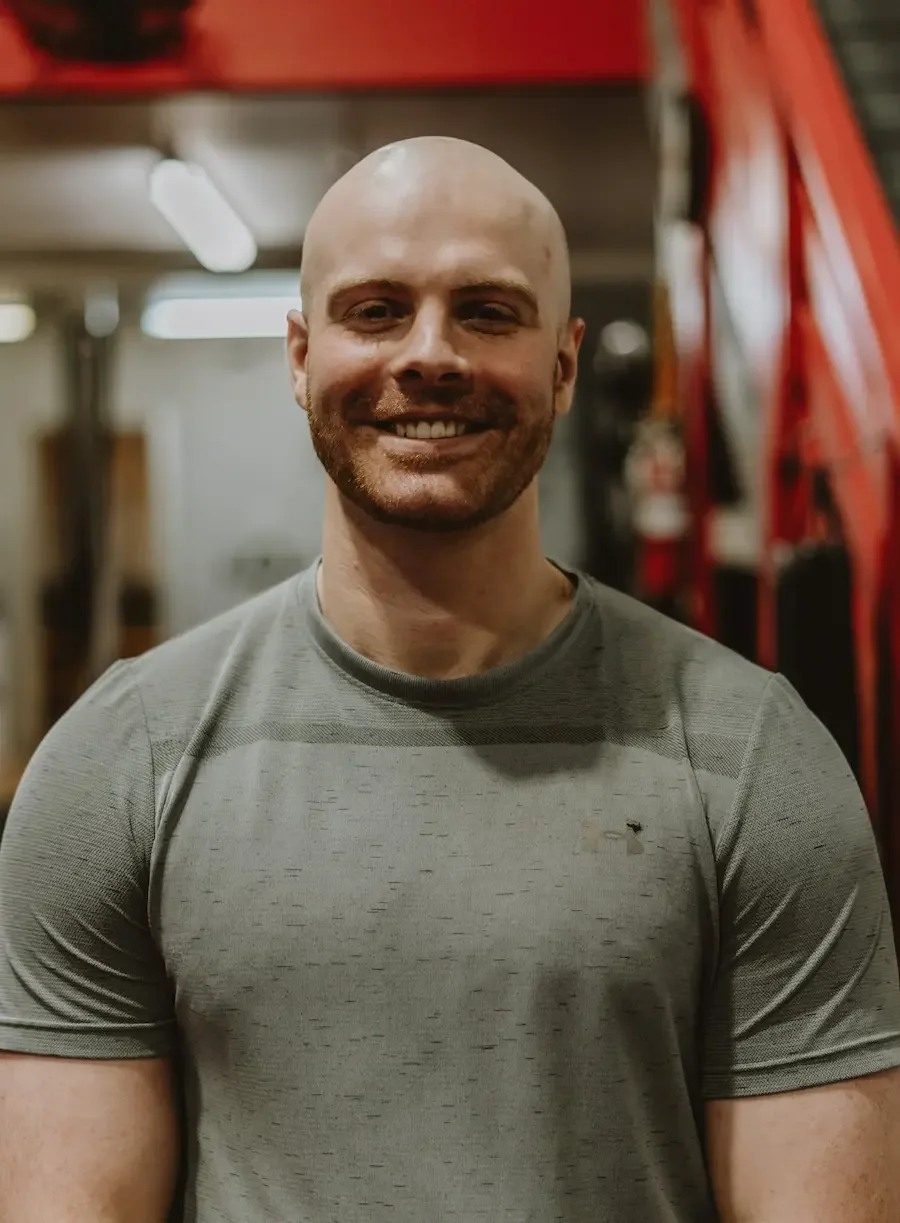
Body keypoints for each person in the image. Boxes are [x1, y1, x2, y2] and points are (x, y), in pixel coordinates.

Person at [0, 136, 899, 1223]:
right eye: (376, 310)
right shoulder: (122, 761)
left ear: (564, 365)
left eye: (487, 310)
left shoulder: (752, 758)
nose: (429, 354)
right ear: (298, 355)